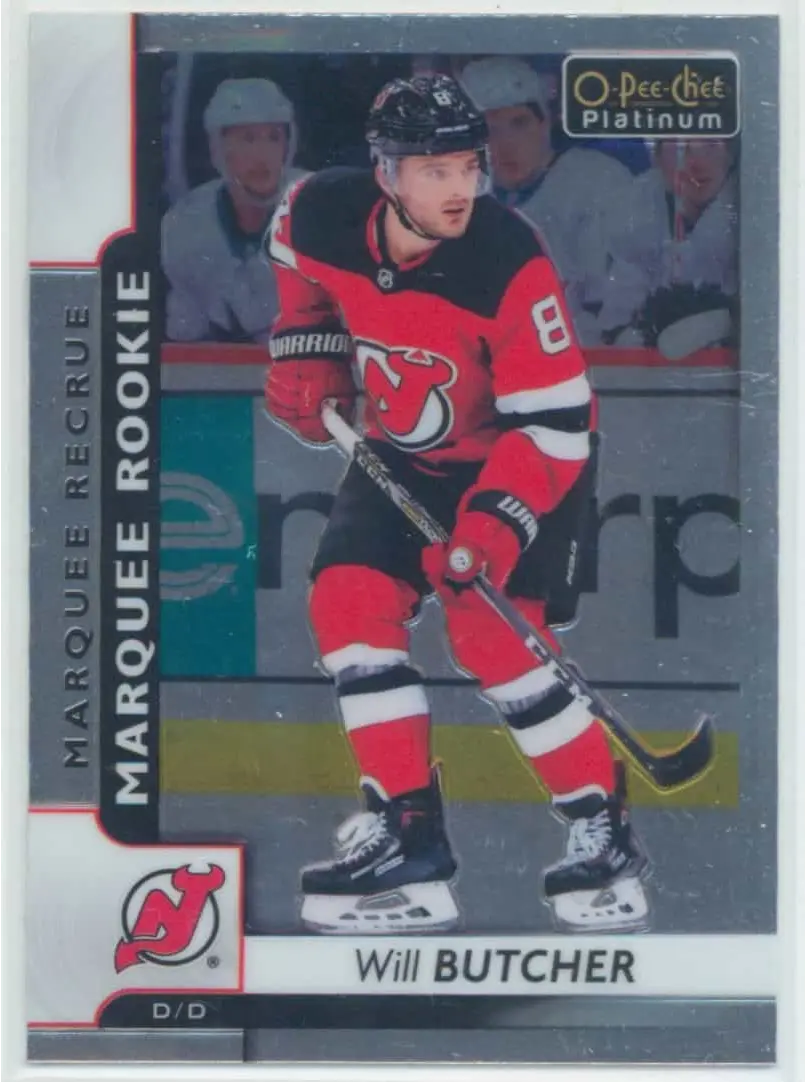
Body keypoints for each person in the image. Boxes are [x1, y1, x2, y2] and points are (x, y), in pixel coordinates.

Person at [264, 74, 649, 934]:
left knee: (493, 638)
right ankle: (408, 836)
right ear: (386, 172)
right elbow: (297, 272)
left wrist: (491, 526)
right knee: (347, 604)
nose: (461, 188)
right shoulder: (317, 211)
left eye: (469, 167)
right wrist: (309, 352)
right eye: (435, 171)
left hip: (521, 459)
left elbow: (556, 423)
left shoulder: (508, 259)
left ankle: (602, 828)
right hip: (404, 455)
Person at [457, 57, 634, 345]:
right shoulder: (461, 194)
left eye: (519, 123)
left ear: (545, 123)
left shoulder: (598, 181)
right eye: (489, 130)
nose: (506, 144)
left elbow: (610, 310)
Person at [161, 78, 308, 344]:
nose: (262, 154)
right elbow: (184, 340)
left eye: (274, 138)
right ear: (218, 148)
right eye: (247, 139)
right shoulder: (186, 224)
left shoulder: (316, 205)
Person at [596, 139, 739, 356]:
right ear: (656, 156)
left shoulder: (757, 208)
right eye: (682, 148)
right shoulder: (636, 208)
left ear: (730, 155)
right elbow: (616, 321)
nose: (698, 163)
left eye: (711, 145)